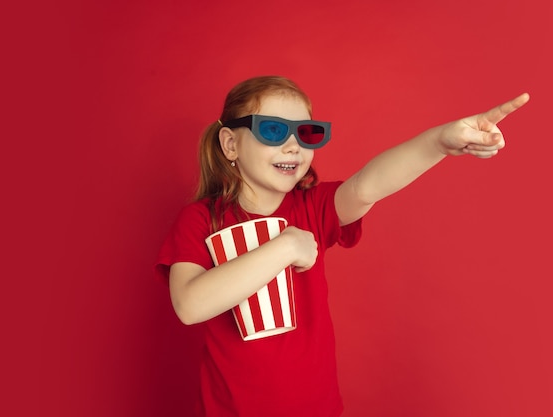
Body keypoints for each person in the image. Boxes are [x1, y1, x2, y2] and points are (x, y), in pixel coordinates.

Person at [155, 75, 529, 417]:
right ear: (231, 143)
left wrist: (439, 142)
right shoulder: (201, 220)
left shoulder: (313, 207)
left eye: (307, 133)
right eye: (272, 130)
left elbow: (369, 184)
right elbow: (190, 305)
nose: (292, 146)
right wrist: (284, 248)